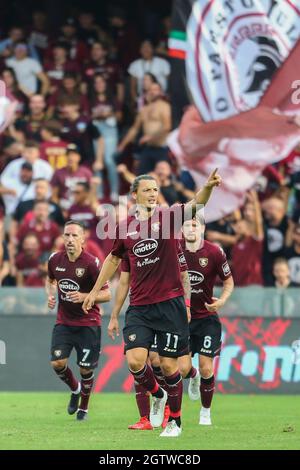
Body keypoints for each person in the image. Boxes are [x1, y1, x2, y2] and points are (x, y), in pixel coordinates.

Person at [83, 169, 221, 437]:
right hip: (140, 306)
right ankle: (157, 395)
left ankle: (175, 422)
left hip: (170, 304)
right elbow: (113, 259)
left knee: (170, 366)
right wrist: (95, 289)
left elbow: (197, 204)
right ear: (134, 195)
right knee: (135, 361)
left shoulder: (169, 217)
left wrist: (209, 187)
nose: (153, 194)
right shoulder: (124, 227)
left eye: (155, 190)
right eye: (147, 190)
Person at [46, 220, 111, 420]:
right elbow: (50, 280)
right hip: (64, 322)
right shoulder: (55, 260)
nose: (70, 239)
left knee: (85, 368)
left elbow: (107, 294)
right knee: (57, 362)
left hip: (88, 323)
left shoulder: (92, 263)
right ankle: (75, 389)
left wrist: (85, 297)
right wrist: (50, 295)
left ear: (83, 239)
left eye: (75, 235)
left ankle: (84, 407)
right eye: (67, 235)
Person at [178, 217, 234, 425]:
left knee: (206, 367)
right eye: (187, 225)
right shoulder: (175, 250)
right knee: (182, 369)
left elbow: (228, 281)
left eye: (195, 225)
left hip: (207, 318)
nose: (191, 229)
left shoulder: (214, 252)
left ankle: (205, 412)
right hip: (183, 319)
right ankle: (193, 377)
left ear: (202, 228)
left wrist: (223, 301)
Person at [118, 82, 171, 175]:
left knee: (163, 177)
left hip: (161, 148)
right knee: (142, 177)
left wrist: (150, 137)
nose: (152, 92)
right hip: (148, 147)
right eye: (150, 90)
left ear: (160, 92)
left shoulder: (164, 106)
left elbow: (167, 127)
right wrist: (122, 145)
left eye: (155, 89)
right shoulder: (144, 109)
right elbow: (134, 129)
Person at [128, 40, 170, 107]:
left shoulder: (163, 63)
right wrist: (137, 102)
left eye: (148, 47)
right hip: (143, 100)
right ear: (140, 50)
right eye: (143, 47)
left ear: (153, 49)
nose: (146, 49)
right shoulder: (134, 65)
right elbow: (132, 88)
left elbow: (170, 83)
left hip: (161, 99)